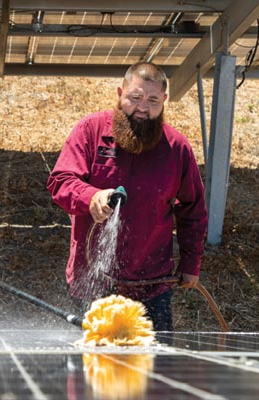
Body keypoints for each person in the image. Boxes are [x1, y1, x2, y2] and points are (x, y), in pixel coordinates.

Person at [47, 62, 208, 331]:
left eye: (153, 100)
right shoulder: (90, 131)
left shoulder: (177, 147)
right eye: (135, 98)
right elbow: (60, 182)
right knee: (91, 368)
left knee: (154, 368)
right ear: (120, 94)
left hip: (151, 286)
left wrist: (191, 262)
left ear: (165, 101)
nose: (143, 107)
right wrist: (91, 196)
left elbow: (193, 209)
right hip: (93, 280)